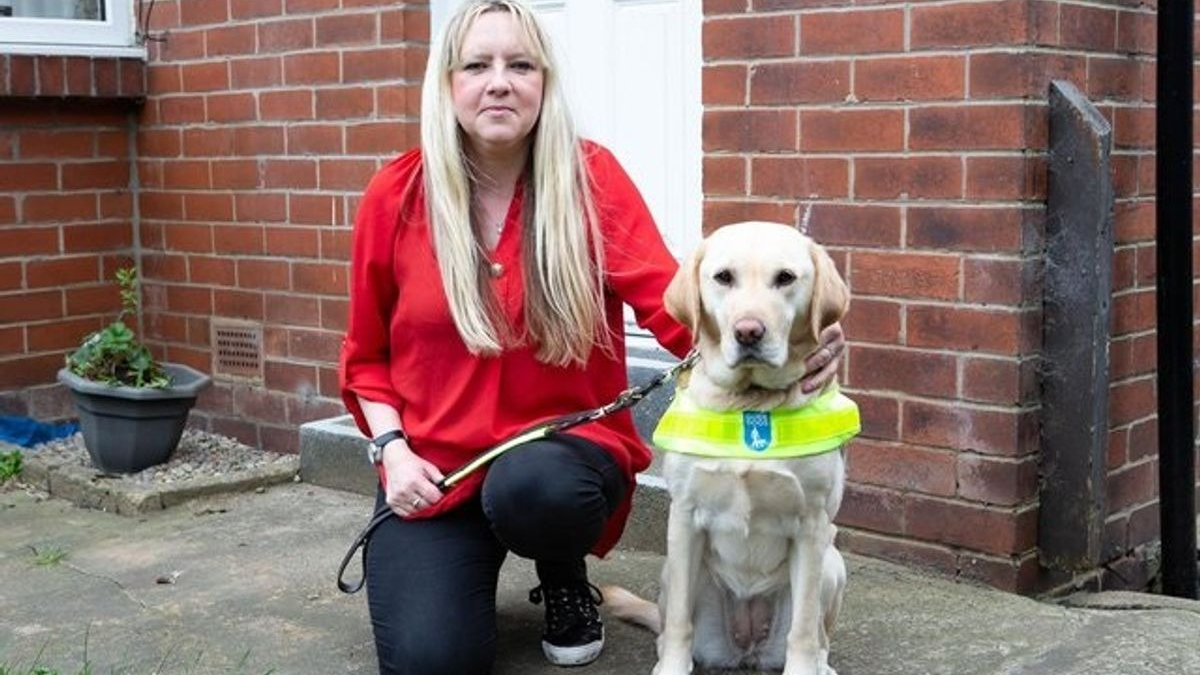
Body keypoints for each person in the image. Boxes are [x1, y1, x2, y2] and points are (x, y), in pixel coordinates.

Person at [338, 2, 846, 674]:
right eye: (477, 65)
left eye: (520, 64)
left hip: (561, 462)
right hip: (436, 472)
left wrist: (793, 345)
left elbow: (682, 310)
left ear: (543, 81)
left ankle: (562, 573)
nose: (499, 82)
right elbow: (366, 356)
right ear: (447, 82)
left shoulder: (591, 180)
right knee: (434, 660)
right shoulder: (395, 194)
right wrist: (392, 450)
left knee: (537, 488)